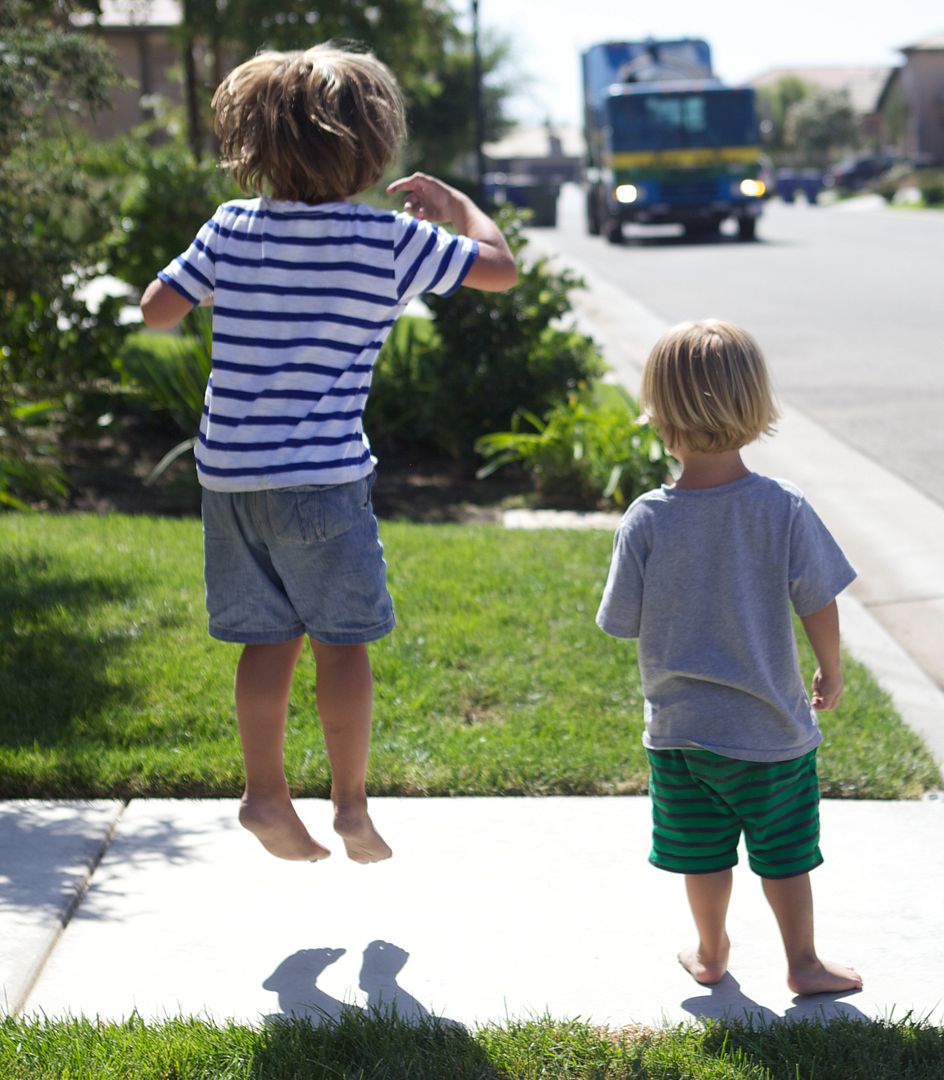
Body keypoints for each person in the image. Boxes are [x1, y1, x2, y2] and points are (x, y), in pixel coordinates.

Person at [139, 43, 518, 863]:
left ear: (255, 143)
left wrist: (216, 281)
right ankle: (350, 805)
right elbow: (501, 270)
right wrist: (456, 207)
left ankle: (265, 795)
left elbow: (156, 312)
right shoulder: (388, 241)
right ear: (374, 143)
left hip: (230, 478)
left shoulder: (231, 226)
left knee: (266, 639)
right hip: (322, 479)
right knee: (342, 642)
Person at [597, 319, 863, 995]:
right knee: (784, 855)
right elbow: (819, 598)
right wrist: (830, 668)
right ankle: (802, 962)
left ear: (659, 416)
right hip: (772, 731)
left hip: (682, 734)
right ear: (753, 408)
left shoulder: (648, 519)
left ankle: (711, 953)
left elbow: (620, 622)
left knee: (702, 854)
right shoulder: (782, 508)